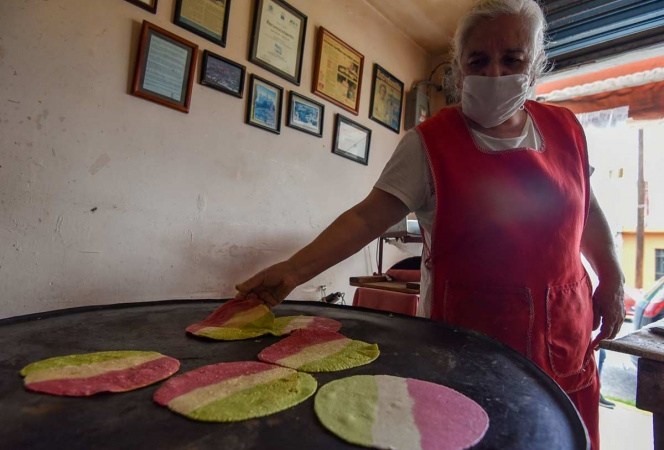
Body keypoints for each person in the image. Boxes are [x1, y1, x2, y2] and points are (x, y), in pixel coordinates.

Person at [235, 1, 625, 448]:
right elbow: (366, 217)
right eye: (478, 61)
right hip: (468, 342)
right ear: (458, 70)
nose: (495, 73)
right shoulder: (430, 143)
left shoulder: (566, 129)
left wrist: (612, 276)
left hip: (564, 335)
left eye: (512, 59)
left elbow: (586, 209)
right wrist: (292, 271)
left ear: (535, 64)